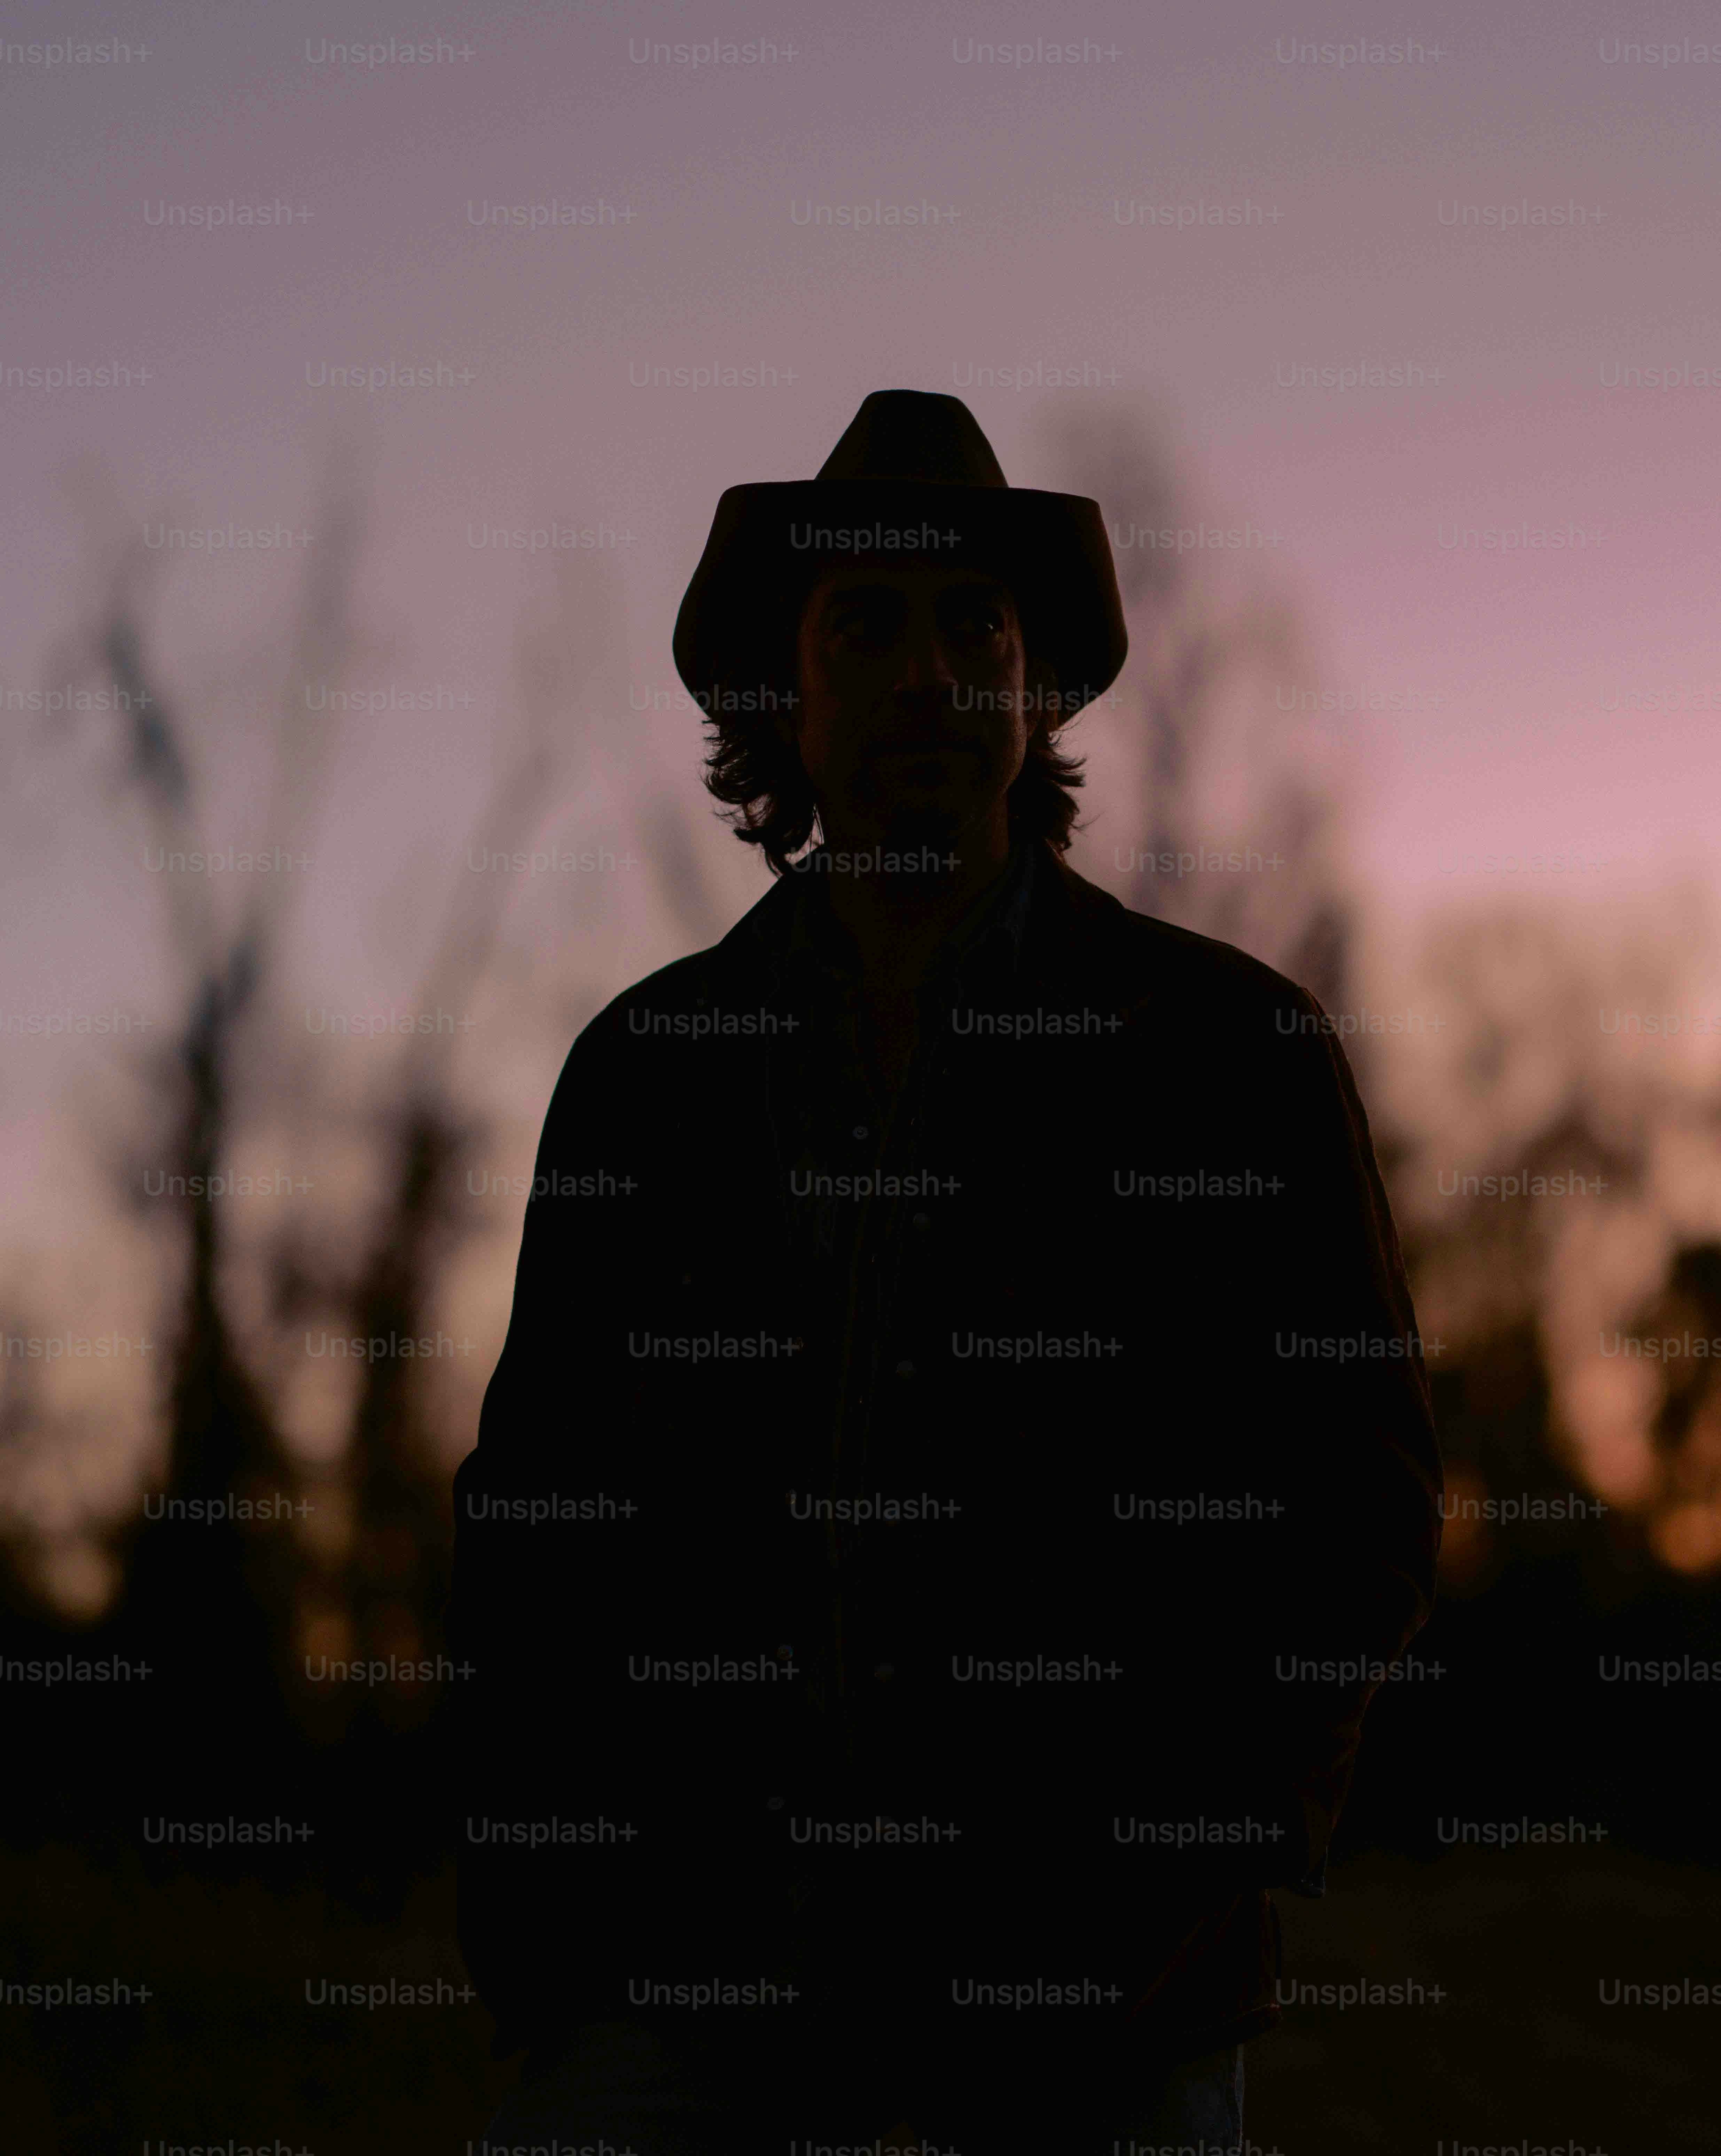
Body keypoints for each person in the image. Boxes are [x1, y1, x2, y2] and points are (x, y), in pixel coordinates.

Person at [452, 388, 1441, 2153]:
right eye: (865, 624)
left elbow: (1353, 1496)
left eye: (973, 623)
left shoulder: (1227, 1048)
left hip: (1099, 2010)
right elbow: (536, 1522)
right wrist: (550, 1926)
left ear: (1035, 687)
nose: (927, 671)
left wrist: (1174, 1869)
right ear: (788, 695)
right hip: (687, 1993)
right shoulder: (647, 1071)